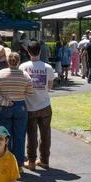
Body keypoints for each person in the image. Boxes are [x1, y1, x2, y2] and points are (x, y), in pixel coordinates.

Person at [0, 52, 33, 167]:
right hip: (20, 106)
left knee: (4, 136)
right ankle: (18, 165)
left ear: (7, 61)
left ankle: (6, 163)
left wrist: (4, 101)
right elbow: (30, 91)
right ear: (19, 62)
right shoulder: (25, 75)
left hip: (5, 107)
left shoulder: (0, 74)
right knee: (20, 137)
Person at [20, 41, 55, 171]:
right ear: (40, 51)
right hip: (45, 104)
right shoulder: (48, 67)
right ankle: (45, 160)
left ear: (28, 52)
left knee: (31, 135)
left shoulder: (23, 67)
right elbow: (50, 86)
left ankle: (32, 161)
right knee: (45, 134)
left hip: (29, 105)